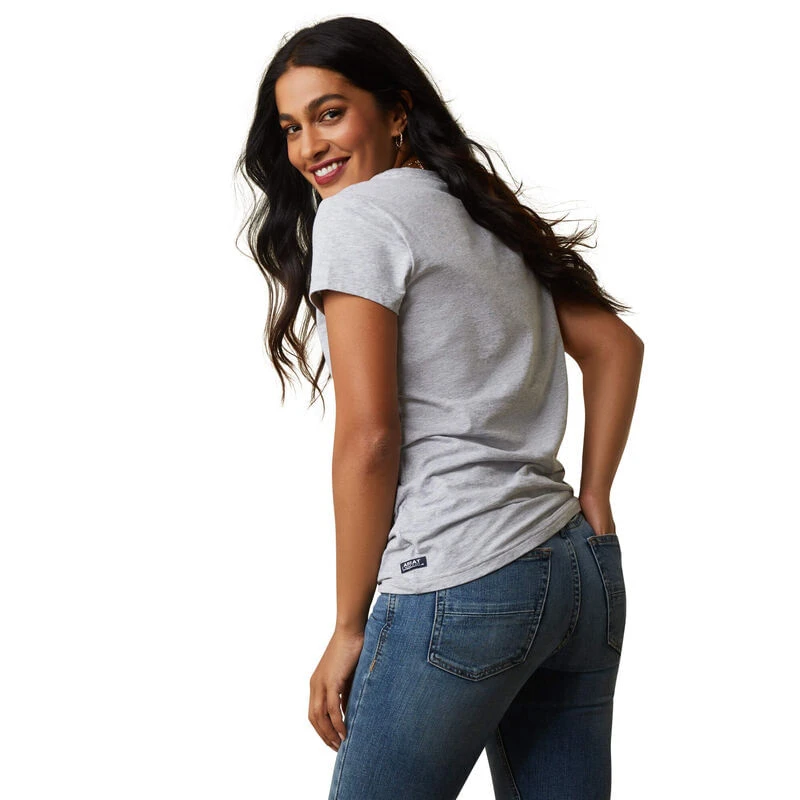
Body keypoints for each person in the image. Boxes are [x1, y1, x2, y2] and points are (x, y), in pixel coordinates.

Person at [235, 15, 644, 800]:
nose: (309, 146)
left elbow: (369, 437)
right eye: (291, 128)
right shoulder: (479, 207)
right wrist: (592, 497)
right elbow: (616, 347)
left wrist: (348, 625)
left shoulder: (357, 216)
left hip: (459, 578)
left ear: (395, 111)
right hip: (576, 572)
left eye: (329, 113)